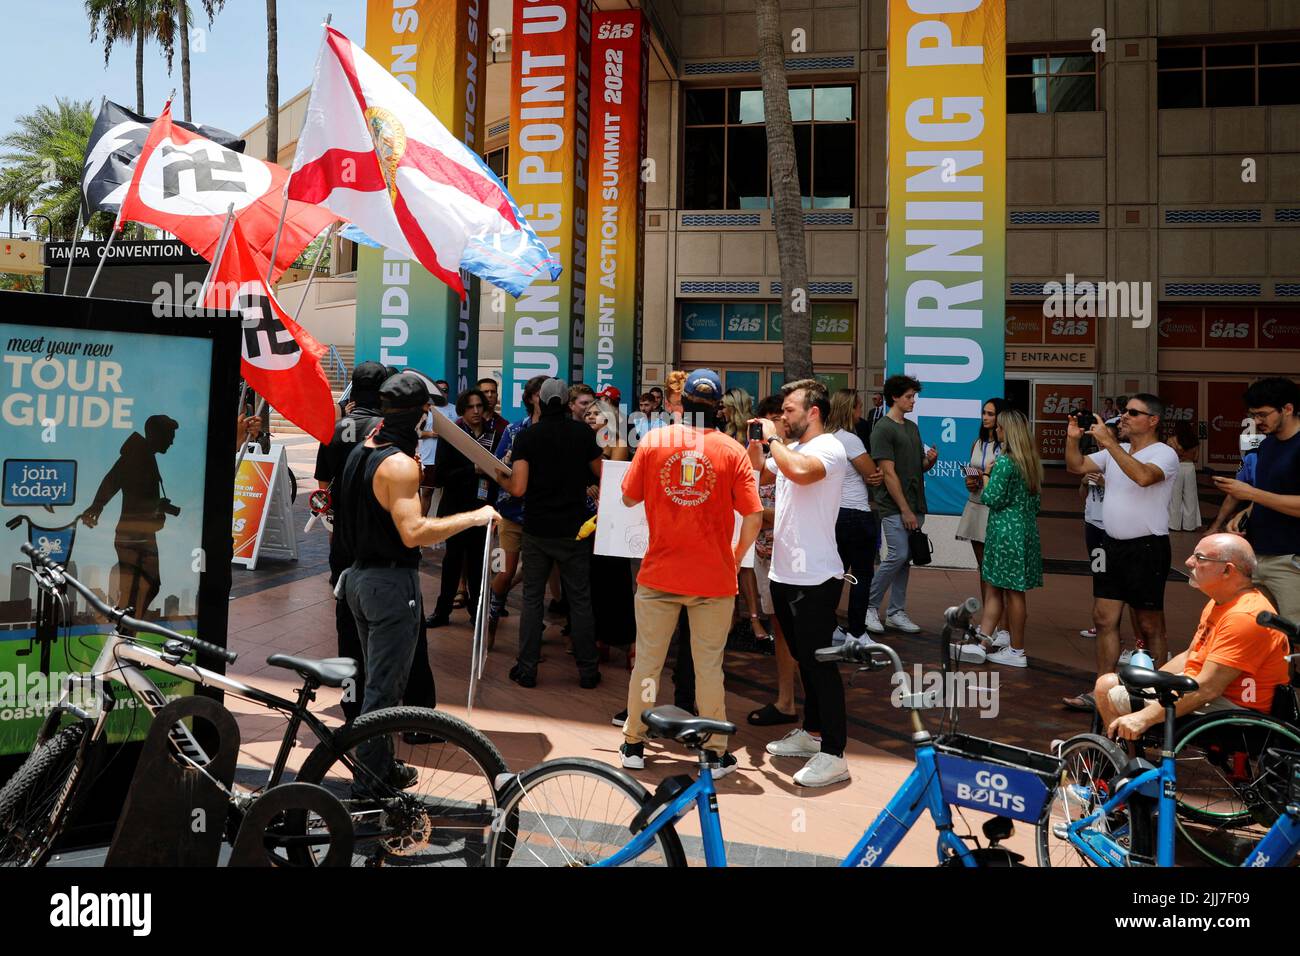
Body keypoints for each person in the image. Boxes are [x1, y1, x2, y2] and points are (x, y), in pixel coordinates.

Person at [336, 372, 497, 784]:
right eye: (428, 410)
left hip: (357, 580)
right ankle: (370, 787)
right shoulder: (399, 465)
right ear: (421, 412)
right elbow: (414, 532)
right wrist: (473, 518)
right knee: (384, 694)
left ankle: (383, 767)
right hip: (389, 585)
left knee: (378, 680)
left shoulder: (362, 450)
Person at [619, 369, 761, 779]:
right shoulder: (732, 451)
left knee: (646, 664)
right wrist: (735, 558)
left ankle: (633, 742)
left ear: (678, 404)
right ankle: (715, 753)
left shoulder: (655, 441)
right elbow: (752, 516)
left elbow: (628, 498)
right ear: (718, 406)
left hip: (660, 573)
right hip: (712, 579)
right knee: (708, 668)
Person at [311, 361, 435, 719]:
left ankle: (353, 703)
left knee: (350, 625)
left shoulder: (335, 429)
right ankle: (416, 715)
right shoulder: (386, 433)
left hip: (345, 546)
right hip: (387, 548)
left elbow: (322, 492)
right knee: (406, 632)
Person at [752, 379, 853, 788]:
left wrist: (773, 440)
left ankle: (835, 753)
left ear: (813, 412)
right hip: (783, 573)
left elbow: (799, 473)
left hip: (816, 576)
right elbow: (759, 469)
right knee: (803, 660)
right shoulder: (789, 449)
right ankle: (813, 735)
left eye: (790, 410)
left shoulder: (829, 447)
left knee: (821, 666)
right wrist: (757, 442)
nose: (783, 417)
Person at [1094, 534, 1290, 741]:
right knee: (1110, 683)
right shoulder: (1221, 602)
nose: (1189, 562)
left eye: (1200, 558)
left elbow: (1208, 688)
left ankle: (1122, 761)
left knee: (1107, 691)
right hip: (1205, 692)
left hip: (1234, 712)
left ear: (1227, 570)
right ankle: (1124, 761)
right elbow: (1190, 655)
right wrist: (1146, 684)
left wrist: (1144, 718)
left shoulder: (1243, 616)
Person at [1066, 394, 1180, 687]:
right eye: (1124, 411)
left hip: (1146, 547)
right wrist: (1072, 438)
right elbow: (1076, 466)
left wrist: (1110, 444)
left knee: (1149, 624)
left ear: (1152, 420)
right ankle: (1103, 687)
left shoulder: (1163, 453)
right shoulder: (1118, 450)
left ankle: (1159, 692)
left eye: (1133, 412)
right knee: (1103, 618)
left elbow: (1143, 477)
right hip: (1110, 544)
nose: (1124, 416)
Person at [499, 378, 603, 688]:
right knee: (580, 600)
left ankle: (527, 669)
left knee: (532, 599)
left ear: (541, 403)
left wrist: (500, 477)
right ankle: (587, 671)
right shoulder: (583, 434)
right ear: (566, 402)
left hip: (537, 529)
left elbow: (517, 488)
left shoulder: (528, 437)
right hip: (574, 530)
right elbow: (602, 473)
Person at [951, 409, 1043, 668]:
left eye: (1000, 427)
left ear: (1007, 431)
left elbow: (991, 498)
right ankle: (983, 643)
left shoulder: (1004, 462)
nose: (997, 431)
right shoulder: (1031, 462)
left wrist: (987, 475)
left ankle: (1016, 649)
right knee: (997, 589)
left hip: (1004, 531)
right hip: (1025, 529)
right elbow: (1036, 504)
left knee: (1011, 593)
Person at [1210, 377, 1300, 622]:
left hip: (1291, 561)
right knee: (1259, 634)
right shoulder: (1268, 445)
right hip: (1258, 556)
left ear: (1288, 409)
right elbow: (1271, 491)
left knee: (1293, 634)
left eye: (1263, 414)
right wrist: (1246, 511)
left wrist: (1251, 494)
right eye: (1253, 415)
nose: (1257, 422)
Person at [81, 414, 180, 617]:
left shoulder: (144, 455)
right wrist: (96, 507)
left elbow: (131, 491)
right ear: (157, 434)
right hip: (133, 536)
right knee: (142, 587)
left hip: (142, 534)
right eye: (169, 435)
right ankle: (123, 629)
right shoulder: (137, 454)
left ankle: (124, 628)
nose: (172, 441)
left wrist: (159, 506)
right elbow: (112, 480)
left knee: (147, 586)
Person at [866, 375, 938, 635]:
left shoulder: (911, 428)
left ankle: (896, 611)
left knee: (905, 558)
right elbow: (888, 473)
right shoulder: (883, 429)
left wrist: (930, 462)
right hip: (895, 506)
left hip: (915, 503)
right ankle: (869, 605)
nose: (913, 401)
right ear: (894, 397)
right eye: (909, 396)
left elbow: (915, 466)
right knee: (897, 555)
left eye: (913, 396)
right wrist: (905, 509)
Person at [425, 388, 502, 628]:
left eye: (480, 406)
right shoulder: (453, 435)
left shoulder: (495, 434)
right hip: (456, 508)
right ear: (462, 410)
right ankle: (442, 610)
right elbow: (441, 476)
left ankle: (477, 612)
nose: (477, 411)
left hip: (482, 507)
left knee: (479, 561)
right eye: (471, 407)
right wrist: (473, 470)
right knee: (453, 561)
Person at [746, 395, 800, 727]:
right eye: (766, 419)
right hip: (766, 553)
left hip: (794, 559)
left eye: (779, 417)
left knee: (800, 632)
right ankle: (786, 700)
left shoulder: (799, 456)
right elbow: (751, 482)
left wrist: (761, 515)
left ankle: (801, 706)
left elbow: (787, 516)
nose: (772, 424)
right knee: (779, 628)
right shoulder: (769, 455)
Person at [488, 374, 548, 643]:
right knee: (505, 570)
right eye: (539, 393)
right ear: (530, 398)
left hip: (543, 514)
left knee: (538, 579)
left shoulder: (558, 428)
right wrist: (508, 465)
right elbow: (497, 466)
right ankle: (492, 612)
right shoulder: (514, 431)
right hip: (512, 511)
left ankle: (532, 636)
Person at [825, 388, 883, 643]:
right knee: (861, 575)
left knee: (836, 574)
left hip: (832, 514)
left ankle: (831, 627)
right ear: (852, 409)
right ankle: (857, 632)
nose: (862, 412)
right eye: (859, 407)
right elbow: (872, 474)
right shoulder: (850, 439)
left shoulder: (824, 438)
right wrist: (876, 473)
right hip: (856, 514)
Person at [1166, 420, 1202, 532]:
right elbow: (1196, 458)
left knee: (1174, 497)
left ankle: (1174, 525)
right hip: (1190, 467)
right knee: (1190, 497)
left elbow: (1169, 458)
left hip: (1176, 467)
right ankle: (1189, 526)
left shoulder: (1171, 440)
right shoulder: (1195, 441)